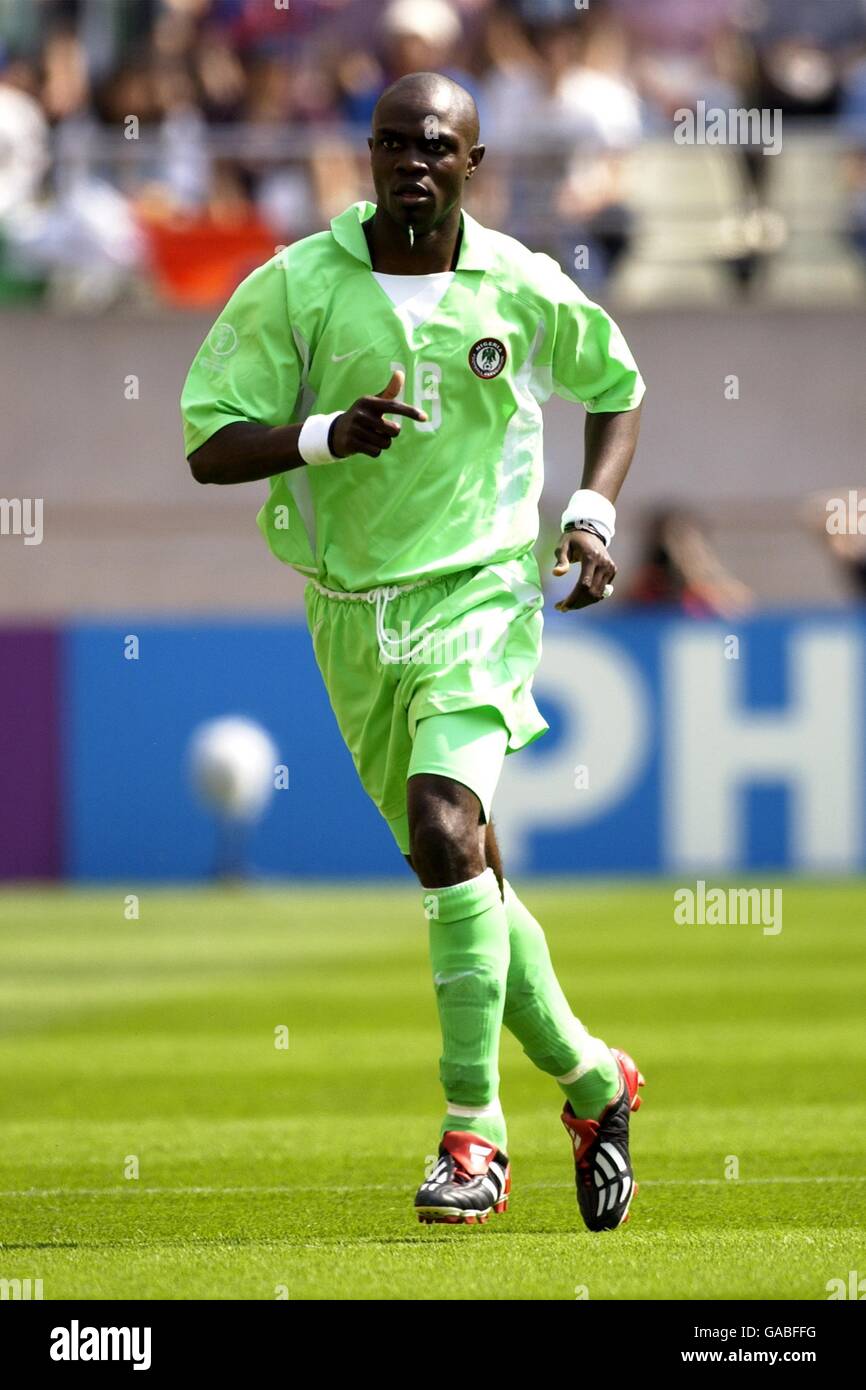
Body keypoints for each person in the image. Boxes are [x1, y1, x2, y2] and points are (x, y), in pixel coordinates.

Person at [181, 70, 646, 1231]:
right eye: (393, 141)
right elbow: (207, 444)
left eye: (436, 145)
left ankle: (471, 1135)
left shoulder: (519, 286)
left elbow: (616, 387)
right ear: (367, 153)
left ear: (472, 163)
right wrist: (323, 434)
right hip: (350, 611)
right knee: (463, 872)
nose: (413, 162)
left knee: (445, 828)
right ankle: (595, 1080)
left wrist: (588, 513)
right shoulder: (297, 285)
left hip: (480, 593)